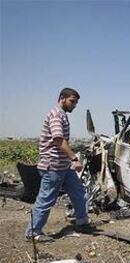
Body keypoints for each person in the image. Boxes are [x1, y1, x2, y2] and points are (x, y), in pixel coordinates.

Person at [25, 88, 89, 241]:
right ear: (62, 98)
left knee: (79, 193)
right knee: (46, 199)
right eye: (72, 101)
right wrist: (74, 159)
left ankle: (82, 221)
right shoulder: (55, 115)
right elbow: (58, 140)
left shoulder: (62, 116)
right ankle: (33, 233)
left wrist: (69, 161)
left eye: (76, 103)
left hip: (63, 166)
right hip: (53, 166)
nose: (74, 105)